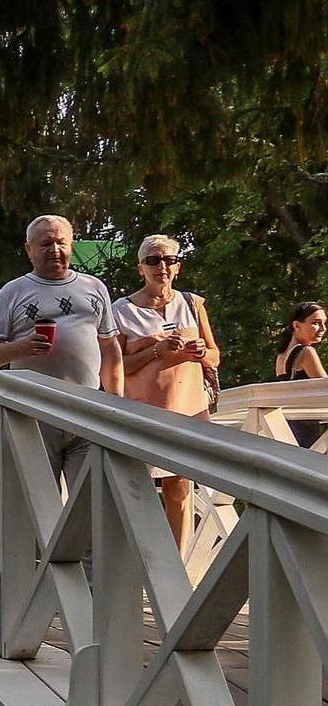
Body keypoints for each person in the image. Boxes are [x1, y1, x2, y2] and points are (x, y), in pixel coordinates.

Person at [0, 214, 123, 477]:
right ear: (29, 250)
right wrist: (21, 348)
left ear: (71, 246)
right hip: (34, 414)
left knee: (90, 495)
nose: (55, 250)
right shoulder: (13, 291)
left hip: (86, 410)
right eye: (45, 244)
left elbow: (109, 346)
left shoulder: (95, 287)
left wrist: (116, 401)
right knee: (39, 496)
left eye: (61, 242)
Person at [113, 235, 218, 549]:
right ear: (141, 268)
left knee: (179, 490)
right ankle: (139, 560)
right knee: (135, 490)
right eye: (153, 260)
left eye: (170, 260)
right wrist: (156, 350)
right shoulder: (121, 310)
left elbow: (215, 356)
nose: (162, 266)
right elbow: (117, 367)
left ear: (178, 267)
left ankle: (177, 563)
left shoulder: (192, 304)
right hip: (141, 414)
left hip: (186, 412)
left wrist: (202, 353)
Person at [273, 301, 327, 451]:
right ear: (297, 325)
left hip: (286, 426)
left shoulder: (281, 356)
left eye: (324, 323)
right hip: (305, 427)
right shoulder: (306, 352)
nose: (323, 328)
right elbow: (325, 388)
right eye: (316, 323)